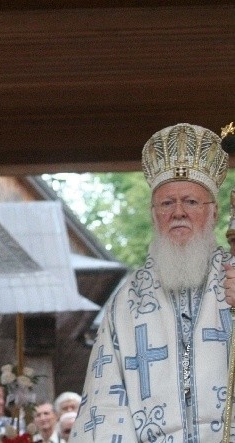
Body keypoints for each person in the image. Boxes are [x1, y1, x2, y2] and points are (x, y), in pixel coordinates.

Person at [70, 122, 235, 441]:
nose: (178, 213)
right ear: (154, 213)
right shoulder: (128, 300)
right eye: (166, 203)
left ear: (213, 213)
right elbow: (104, 406)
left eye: (191, 202)